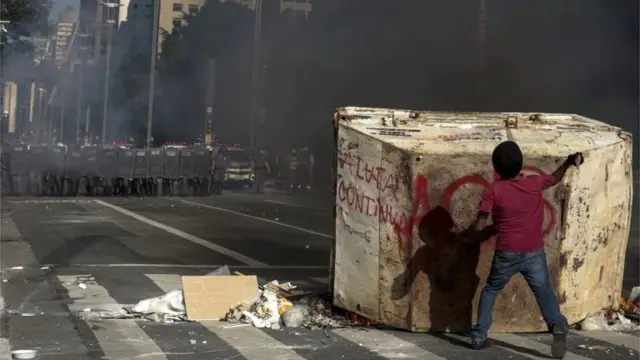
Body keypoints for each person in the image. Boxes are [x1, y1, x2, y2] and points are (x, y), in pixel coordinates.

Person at [453, 140, 582, 359]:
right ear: (520, 163)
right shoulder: (534, 183)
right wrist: (569, 162)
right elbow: (555, 177)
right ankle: (557, 324)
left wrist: (466, 235)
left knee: (491, 290)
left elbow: (480, 224)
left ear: (496, 167)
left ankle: (478, 336)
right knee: (543, 291)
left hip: (507, 253)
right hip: (534, 252)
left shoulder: (493, 191)